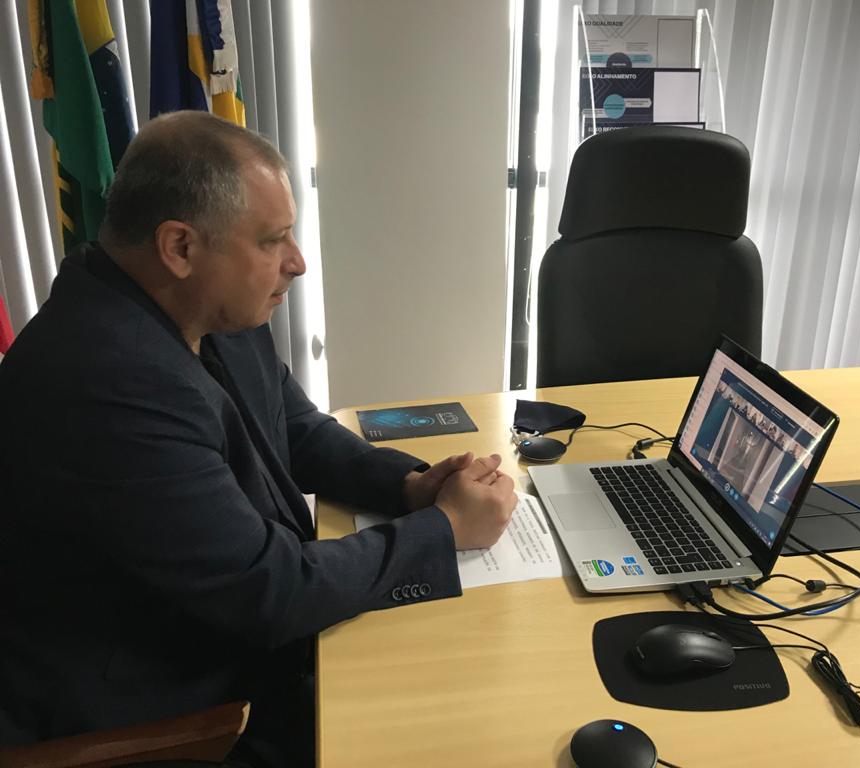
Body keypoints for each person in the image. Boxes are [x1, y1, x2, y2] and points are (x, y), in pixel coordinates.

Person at [0, 111, 517, 768]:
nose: (297, 263)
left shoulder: (200, 306)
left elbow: (295, 432)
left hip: (223, 634)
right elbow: (266, 592)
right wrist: (443, 531)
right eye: (273, 240)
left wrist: (408, 485)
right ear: (180, 247)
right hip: (168, 710)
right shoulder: (106, 380)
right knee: (447, 728)